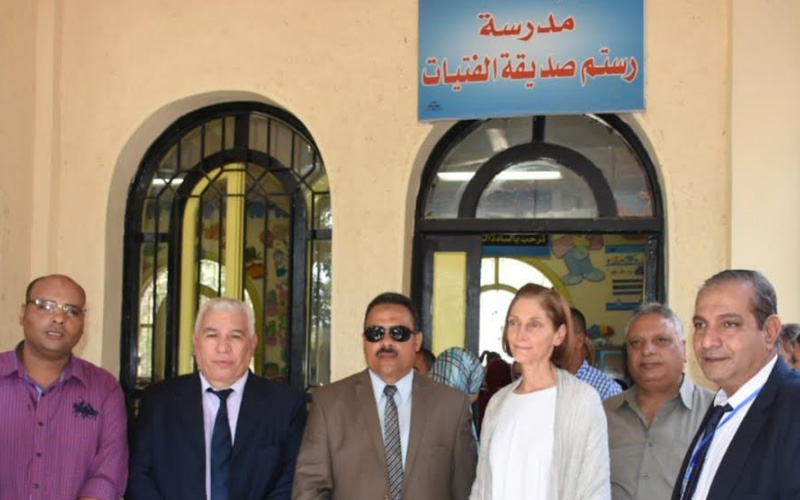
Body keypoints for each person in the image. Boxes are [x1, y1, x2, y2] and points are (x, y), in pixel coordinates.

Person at [292, 292, 476, 500]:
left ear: (417, 341)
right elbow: (309, 488)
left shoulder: (452, 406)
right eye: (376, 333)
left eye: (398, 333)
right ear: (364, 341)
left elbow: (466, 491)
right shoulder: (329, 403)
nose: (386, 341)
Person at [127, 297, 307, 500]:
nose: (223, 347)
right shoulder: (158, 402)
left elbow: (290, 483)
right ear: (196, 342)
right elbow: (139, 476)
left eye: (235, 336)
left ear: (252, 344)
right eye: (212, 335)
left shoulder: (286, 406)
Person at [471, 283, 610, 500]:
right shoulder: (498, 403)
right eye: (514, 323)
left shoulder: (582, 400)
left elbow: (594, 489)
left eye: (534, 325)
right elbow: (482, 487)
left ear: (559, 335)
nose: (520, 335)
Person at [671, 270, 800, 500]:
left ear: (770, 332)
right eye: (700, 324)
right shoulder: (722, 405)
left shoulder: (793, 405)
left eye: (729, 324)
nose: (707, 341)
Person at [0, 274, 128, 500]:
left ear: (83, 324)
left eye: (72, 311)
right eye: (45, 306)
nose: (59, 318)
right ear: (23, 313)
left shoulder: (105, 389)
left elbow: (107, 475)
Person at [604, 303, 714, 500]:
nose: (647, 351)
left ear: (683, 349)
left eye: (661, 340)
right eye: (636, 343)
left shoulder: (715, 413)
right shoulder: (603, 414)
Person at [569, 307, 622, 400]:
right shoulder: (546, 383)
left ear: (579, 340)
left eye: (561, 335)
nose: (554, 341)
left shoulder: (606, 390)